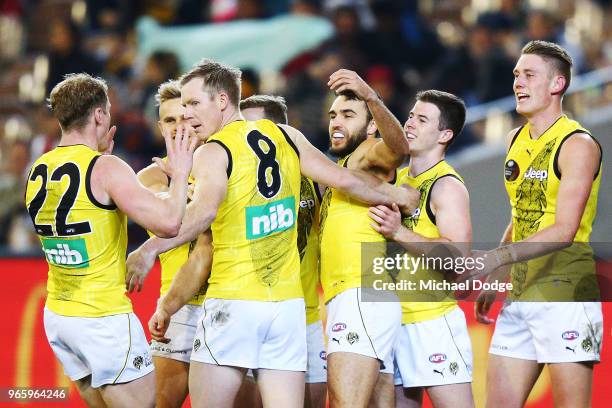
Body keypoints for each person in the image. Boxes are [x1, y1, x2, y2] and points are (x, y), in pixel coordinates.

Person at [129, 59, 419, 408]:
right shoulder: (287, 135)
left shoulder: (214, 150)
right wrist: (395, 195)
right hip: (287, 310)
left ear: (222, 101)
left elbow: (202, 213)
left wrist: (149, 250)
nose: (187, 113)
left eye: (193, 103)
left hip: (233, 301)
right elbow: (344, 180)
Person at [24, 73, 196, 407]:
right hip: (102, 318)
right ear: (100, 116)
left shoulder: (38, 168)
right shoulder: (106, 168)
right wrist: (181, 171)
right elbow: (170, 222)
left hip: (60, 317)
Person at [470, 40, 603, 407]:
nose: (518, 83)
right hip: (520, 295)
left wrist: (496, 259)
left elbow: (564, 230)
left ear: (557, 84)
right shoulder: (514, 139)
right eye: (516, 75)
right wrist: (498, 278)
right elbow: (521, 216)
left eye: (529, 75)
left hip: (565, 296)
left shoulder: (577, 144)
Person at [368, 90, 475, 408]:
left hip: (431, 323)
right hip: (391, 323)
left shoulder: (447, 185)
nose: (409, 123)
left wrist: (398, 231)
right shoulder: (396, 180)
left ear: (445, 134)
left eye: (422, 119)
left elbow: (458, 259)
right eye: (411, 115)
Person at [319, 69, 411, 407]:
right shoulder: (341, 166)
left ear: (371, 124)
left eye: (347, 114)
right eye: (332, 115)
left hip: (360, 292)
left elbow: (399, 148)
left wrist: (371, 97)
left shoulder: (368, 153)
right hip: (358, 296)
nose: (336, 122)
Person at [239, 94, 327, 408]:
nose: (246, 136)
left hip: (305, 318)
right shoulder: (233, 178)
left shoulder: (313, 179)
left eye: (252, 127)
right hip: (248, 313)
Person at [133, 79, 208, 408]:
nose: (179, 126)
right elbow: (170, 218)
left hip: (228, 298)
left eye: (184, 116)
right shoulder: (149, 178)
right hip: (176, 310)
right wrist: (184, 183)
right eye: (170, 120)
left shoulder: (222, 164)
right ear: (159, 126)